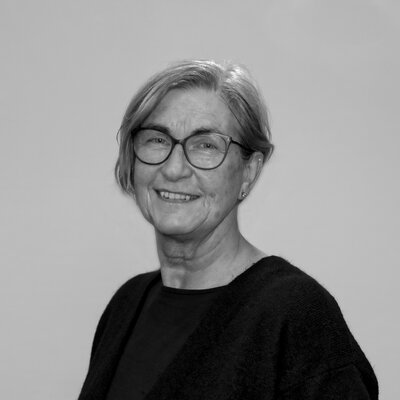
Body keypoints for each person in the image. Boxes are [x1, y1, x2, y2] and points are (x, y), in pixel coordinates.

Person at [78, 60, 378, 399]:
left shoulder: (295, 314)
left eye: (206, 145)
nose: (174, 169)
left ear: (249, 171)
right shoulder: (126, 304)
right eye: (157, 140)